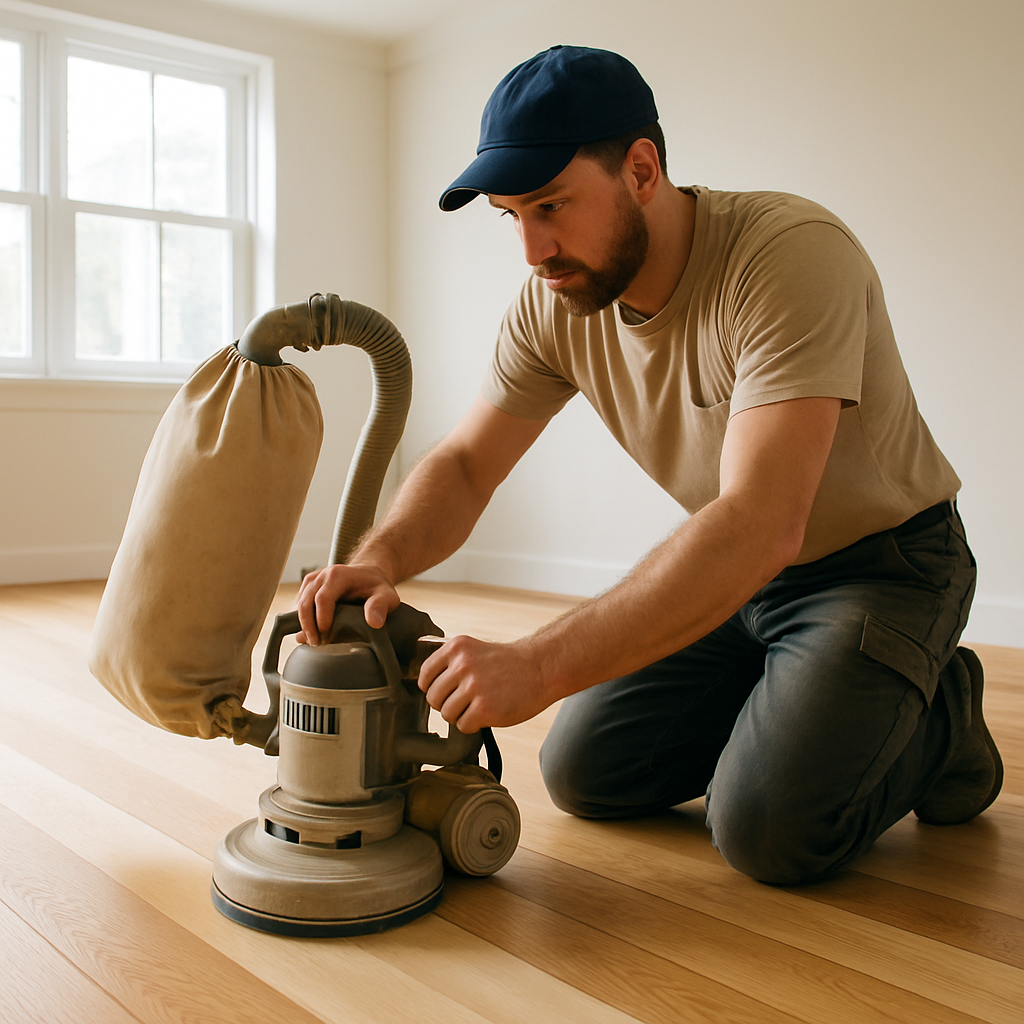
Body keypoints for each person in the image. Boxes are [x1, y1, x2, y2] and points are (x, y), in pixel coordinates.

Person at [296, 45, 1002, 884]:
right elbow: (465, 465)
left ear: (641, 169)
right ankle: (806, 700)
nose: (532, 249)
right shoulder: (555, 300)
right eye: (510, 214)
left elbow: (762, 520)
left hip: (884, 568)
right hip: (742, 570)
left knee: (769, 830)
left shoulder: (789, 256)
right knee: (588, 774)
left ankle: (944, 710)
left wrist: (541, 663)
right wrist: (381, 558)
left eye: (551, 205)